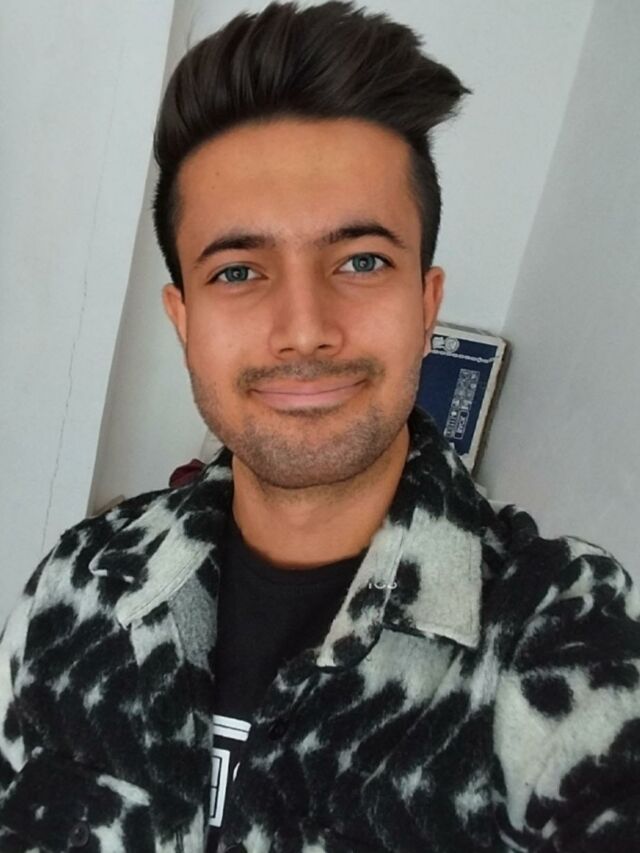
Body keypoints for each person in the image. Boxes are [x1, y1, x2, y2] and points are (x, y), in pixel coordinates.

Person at [1, 1, 639, 851]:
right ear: (183, 320)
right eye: (238, 271)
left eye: (362, 260)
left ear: (427, 304)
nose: (304, 329)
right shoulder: (76, 586)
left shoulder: (561, 636)